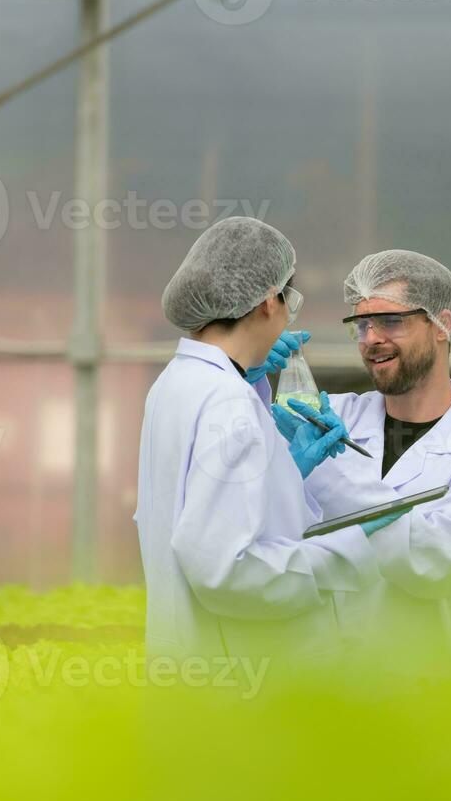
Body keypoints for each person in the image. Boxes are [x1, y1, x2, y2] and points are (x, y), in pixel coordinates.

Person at [272, 250, 451, 679]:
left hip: (415, 695)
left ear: (442, 324)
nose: (371, 338)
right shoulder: (328, 416)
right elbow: (239, 494)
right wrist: (243, 379)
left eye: (391, 322)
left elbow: (431, 562)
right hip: (301, 687)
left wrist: (328, 470)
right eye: (361, 325)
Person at [134, 217, 373, 665]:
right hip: (243, 681)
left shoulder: (176, 382)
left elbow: (198, 504)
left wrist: (284, 469)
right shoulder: (228, 401)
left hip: (191, 662)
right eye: (289, 298)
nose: (289, 313)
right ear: (267, 302)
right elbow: (224, 569)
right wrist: (344, 549)